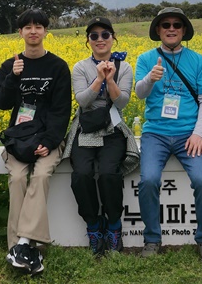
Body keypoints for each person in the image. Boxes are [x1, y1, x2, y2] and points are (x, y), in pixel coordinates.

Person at [134, 7, 202, 264]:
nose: (171, 28)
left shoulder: (198, 60)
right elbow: (139, 93)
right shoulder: (146, 59)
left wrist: (198, 133)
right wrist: (150, 78)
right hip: (155, 134)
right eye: (166, 25)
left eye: (177, 25)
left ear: (183, 31)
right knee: (148, 181)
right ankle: (152, 238)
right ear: (158, 30)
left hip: (188, 135)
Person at [0, 9, 71, 275]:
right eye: (28, 27)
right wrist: (13, 78)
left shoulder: (58, 67)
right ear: (20, 33)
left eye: (39, 26)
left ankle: (22, 244)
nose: (33, 31)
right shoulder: (10, 65)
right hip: (20, 139)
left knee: (40, 175)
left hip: (48, 138)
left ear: (46, 31)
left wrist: (50, 141)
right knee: (16, 179)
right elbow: (1, 104)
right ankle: (22, 247)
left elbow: (62, 110)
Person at [61, 17, 140, 256]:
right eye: (94, 36)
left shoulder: (124, 67)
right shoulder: (80, 67)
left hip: (112, 128)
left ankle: (114, 226)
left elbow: (123, 101)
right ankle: (94, 226)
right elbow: (82, 100)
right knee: (81, 175)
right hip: (86, 128)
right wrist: (98, 78)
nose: (100, 39)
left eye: (105, 34)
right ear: (88, 41)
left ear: (113, 38)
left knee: (109, 173)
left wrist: (110, 78)